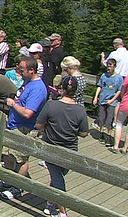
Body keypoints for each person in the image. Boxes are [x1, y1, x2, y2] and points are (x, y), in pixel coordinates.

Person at [36, 76, 89, 217]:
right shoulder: (80, 110)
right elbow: (84, 133)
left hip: (50, 148)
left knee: (57, 179)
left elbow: (39, 125)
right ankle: (61, 210)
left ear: (62, 89)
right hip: (70, 151)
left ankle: (53, 204)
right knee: (58, 178)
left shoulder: (51, 105)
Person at [3, 56, 48, 185]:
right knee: (8, 155)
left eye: (22, 70)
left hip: (24, 128)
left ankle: (17, 186)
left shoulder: (38, 89)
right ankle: (8, 181)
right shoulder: (27, 82)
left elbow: (28, 113)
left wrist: (12, 104)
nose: (19, 73)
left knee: (21, 159)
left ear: (32, 70)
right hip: (14, 125)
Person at [93, 58, 123, 147]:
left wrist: (112, 100)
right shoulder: (103, 76)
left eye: (111, 65)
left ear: (114, 66)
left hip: (111, 102)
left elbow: (119, 90)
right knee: (101, 118)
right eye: (108, 65)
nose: (109, 67)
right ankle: (101, 133)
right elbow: (100, 86)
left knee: (109, 120)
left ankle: (108, 136)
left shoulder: (119, 78)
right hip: (102, 100)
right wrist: (96, 97)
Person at [111, 59, 128, 154]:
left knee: (119, 124)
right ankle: (125, 148)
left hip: (126, 103)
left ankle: (116, 146)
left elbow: (123, 91)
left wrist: (123, 98)